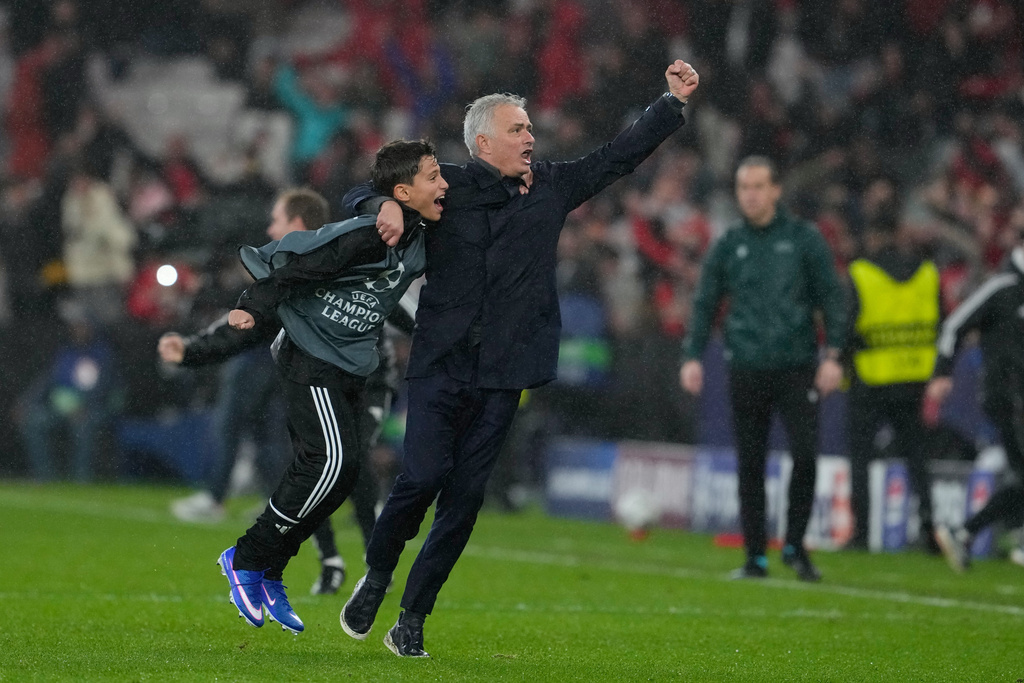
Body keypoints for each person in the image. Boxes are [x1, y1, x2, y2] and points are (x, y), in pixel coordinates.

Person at [339, 60, 699, 658]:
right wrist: (382, 208)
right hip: (441, 360)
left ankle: (412, 618)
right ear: (483, 142)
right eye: (517, 129)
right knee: (421, 477)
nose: (530, 137)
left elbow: (617, 157)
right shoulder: (445, 185)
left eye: (530, 128)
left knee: (464, 500)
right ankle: (377, 575)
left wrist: (670, 103)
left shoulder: (552, 185)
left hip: (506, 371)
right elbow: (363, 188)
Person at [213, 139, 447, 634]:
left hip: (347, 363)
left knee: (342, 473)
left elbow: (395, 299)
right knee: (335, 461)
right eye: (433, 176)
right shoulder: (367, 236)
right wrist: (252, 306)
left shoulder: (421, 238)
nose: (444, 183)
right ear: (403, 192)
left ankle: (270, 569)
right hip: (310, 351)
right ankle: (245, 556)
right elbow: (302, 265)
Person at [680, 155, 845, 582]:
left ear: (775, 190)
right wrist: (693, 355)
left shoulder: (805, 240)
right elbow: (704, 302)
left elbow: (832, 298)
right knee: (749, 462)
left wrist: (834, 355)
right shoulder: (729, 241)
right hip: (747, 366)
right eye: (743, 188)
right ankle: (755, 556)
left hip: (797, 366)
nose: (749, 195)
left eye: (757, 187)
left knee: (805, 458)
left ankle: (795, 545)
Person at [843, 211, 942, 552]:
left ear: (871, 235)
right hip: (915, 376)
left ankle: (861, 534)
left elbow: (846, 326)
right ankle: (930, 529)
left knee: (862, 457)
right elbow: (941, 323)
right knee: (916, 456)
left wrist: (841, 365)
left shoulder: (861, 272)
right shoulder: (928, 273)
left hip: (871, 376)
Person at [930, 237, 1024, 572]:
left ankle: (965, 532)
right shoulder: (1001, 287)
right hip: (1007, 397)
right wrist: (942, 372)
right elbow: (955, 325)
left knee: (1021, 474)